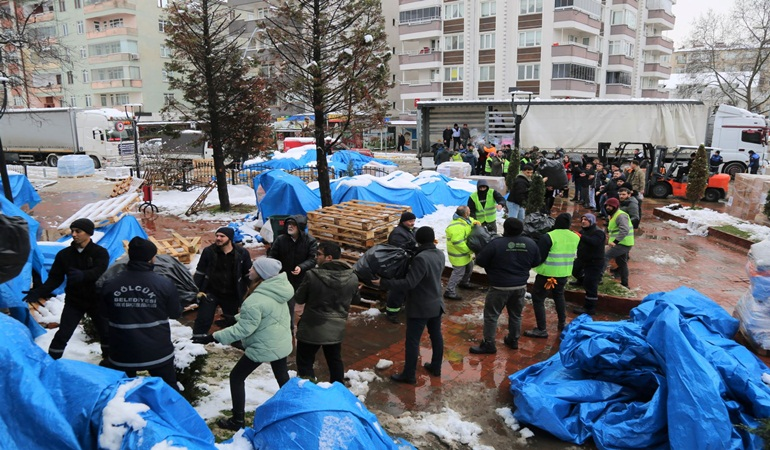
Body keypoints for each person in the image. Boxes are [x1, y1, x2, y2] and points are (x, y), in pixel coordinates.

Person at [199, 257, 293, 431]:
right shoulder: (279, 290)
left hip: (263, 345)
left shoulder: (255, 299)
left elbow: (243, 330)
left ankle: (237, 421)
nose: (249, 270)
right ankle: (294, 410)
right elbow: (264, 313)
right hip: (280, 341)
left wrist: (213, 337)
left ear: (262, 274)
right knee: (282, 378)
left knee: (236, 377)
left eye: (254, 268)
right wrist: (234, 318)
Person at [24, 218, 110, 363]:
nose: (74, 234)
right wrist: (39, 292)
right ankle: (51, 362)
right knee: (63, 333)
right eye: (72, 231)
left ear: (88, 233)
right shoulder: (64, 255)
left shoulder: (100, 252)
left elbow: (99, 271)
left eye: (78, 231)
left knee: (105, 332)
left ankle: (110, 361)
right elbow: (55, 278)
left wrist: (84, 275)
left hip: (96, 300)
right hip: (75, 301)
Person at [101, 237, 181, 388]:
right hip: (157, 350)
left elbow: (104, 313)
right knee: (168, 389)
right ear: (151, 258)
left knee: (122, 392)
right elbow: (175, 313)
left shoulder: (110, 284)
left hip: (122, 350)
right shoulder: (164, 284)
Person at [372, 227, 445, 384]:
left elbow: (409, 283)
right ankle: (436, 367)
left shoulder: (421, 258)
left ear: (418, 240)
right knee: (436, 336)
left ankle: (409, 374)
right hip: (436, 304)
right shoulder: (439, 254)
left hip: (421, 307)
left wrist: (384, 282)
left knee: (412, 341)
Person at [470, 218, 540, 353]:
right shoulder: (530, 243)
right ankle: (513, 340)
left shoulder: (496, 244)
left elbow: (481, 260)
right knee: (516, 314)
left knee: (491, 315)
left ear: (505, 229)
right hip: (520, 286)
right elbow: (536, 262)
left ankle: (489, 344)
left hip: (499, 287)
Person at [293, 242, 359, 383]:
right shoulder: (352, 277)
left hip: (312, 327)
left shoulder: (312, 275)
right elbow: (356, 299)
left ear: (329, 257)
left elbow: (299, 298)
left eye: (319, 254)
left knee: (305, 361)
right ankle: (337, 389)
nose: (316, 257)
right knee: (334, 360)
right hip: (336, 328)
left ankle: (309, 389)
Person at [192, 227, 252, 342]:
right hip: (211, 292)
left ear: (230, 238)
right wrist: (196, 291)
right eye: (217, 235)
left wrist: (252, 290)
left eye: (222, 236)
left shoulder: (242, 253)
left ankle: (233, 343)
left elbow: (247, 274)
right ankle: (197, 340)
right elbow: (200, 272)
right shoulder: (209, 251)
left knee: (231, 320)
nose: (218, 238)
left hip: (232, 294)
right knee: (203, 318)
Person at [524, 213, 579, 338]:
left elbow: (540, 257)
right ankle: (562, 323)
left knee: (538, 299)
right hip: (563, 273)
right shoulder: (575, 237)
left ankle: (541, 329)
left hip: (546, 274)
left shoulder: (548, 236)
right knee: (559, 296)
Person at [268, 215, 318, 329]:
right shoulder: (280, 239)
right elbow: (272, 256)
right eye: (288, 224)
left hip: (303, 279)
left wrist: (301, 267)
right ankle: (289, 328)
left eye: (293, 224)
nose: (290, 226)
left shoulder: (310, 241)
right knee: (287, 304)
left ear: (300, 227)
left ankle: (307, 328)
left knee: (308, 303)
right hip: (285, 278)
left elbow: (312, 259)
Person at [384, 212, 418, 323]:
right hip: (399, 266)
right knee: (398, 290)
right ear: (403, 221)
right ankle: (391, 313)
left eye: (413, 221)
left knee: (405, 288)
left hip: (406, 265)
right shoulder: (398, 234)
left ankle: (400, 305)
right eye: (410, 221)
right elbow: (399, 251)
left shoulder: (409, 230)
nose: (412, 223)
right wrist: (415, 248)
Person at [571, 213, 606, 316]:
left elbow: (594, 242)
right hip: (582, 259)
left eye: (586, 220)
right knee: (574, 270)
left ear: (592, 221)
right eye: (582, 219)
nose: (583, 221)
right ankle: (581, 281)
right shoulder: (582, 231)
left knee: (591, 284)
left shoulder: (598, 232)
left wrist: (580, 236)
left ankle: (590, 308)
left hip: (595, 262)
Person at [444, 206, 474, 301]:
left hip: (464, 254)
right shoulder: (456, 226)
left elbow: (471, 221)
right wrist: (469, 250)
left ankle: (464, 283)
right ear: (465, 214)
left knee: (469, 267)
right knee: (458, 273)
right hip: (458, 255)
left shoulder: (465, 220)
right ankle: (449, 291)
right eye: (469, 211)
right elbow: (458, 243)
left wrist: (476, 223)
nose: (470, 212)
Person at [603, 198, 634, 288]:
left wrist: (615, 241)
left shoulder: (621, 216)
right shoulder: (612, 215)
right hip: (623, 243)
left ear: (615, 207)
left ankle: (598, 279)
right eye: (607, 205)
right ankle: (625, 283)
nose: (608, 207)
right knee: (621, 263)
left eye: (610, 206)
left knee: (605, 256)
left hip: (623, 243)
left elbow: (625, 230)